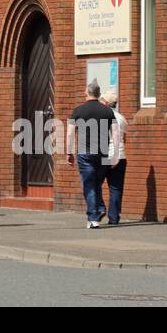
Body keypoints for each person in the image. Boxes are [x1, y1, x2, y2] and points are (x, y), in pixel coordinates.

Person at [65, 81, 117, 228]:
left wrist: (69, 152)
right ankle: (99, 209)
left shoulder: (78, 111)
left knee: (89, 185)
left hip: (85, 153)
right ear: (99, 94)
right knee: (96, 183)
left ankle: (93, 218)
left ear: (86, 92)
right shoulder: (107, 111)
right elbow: (115, 133)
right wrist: (115, 154)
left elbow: (69, 133)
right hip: (103, 152)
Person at [102, 90, 128, 226]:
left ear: (106, 103)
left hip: (104, 155)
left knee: (94, 185)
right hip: (120, 156)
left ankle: (99, 209)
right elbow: (124, 138)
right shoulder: (122, 118)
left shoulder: (101, 117)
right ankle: (114, 217)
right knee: (116, 188)